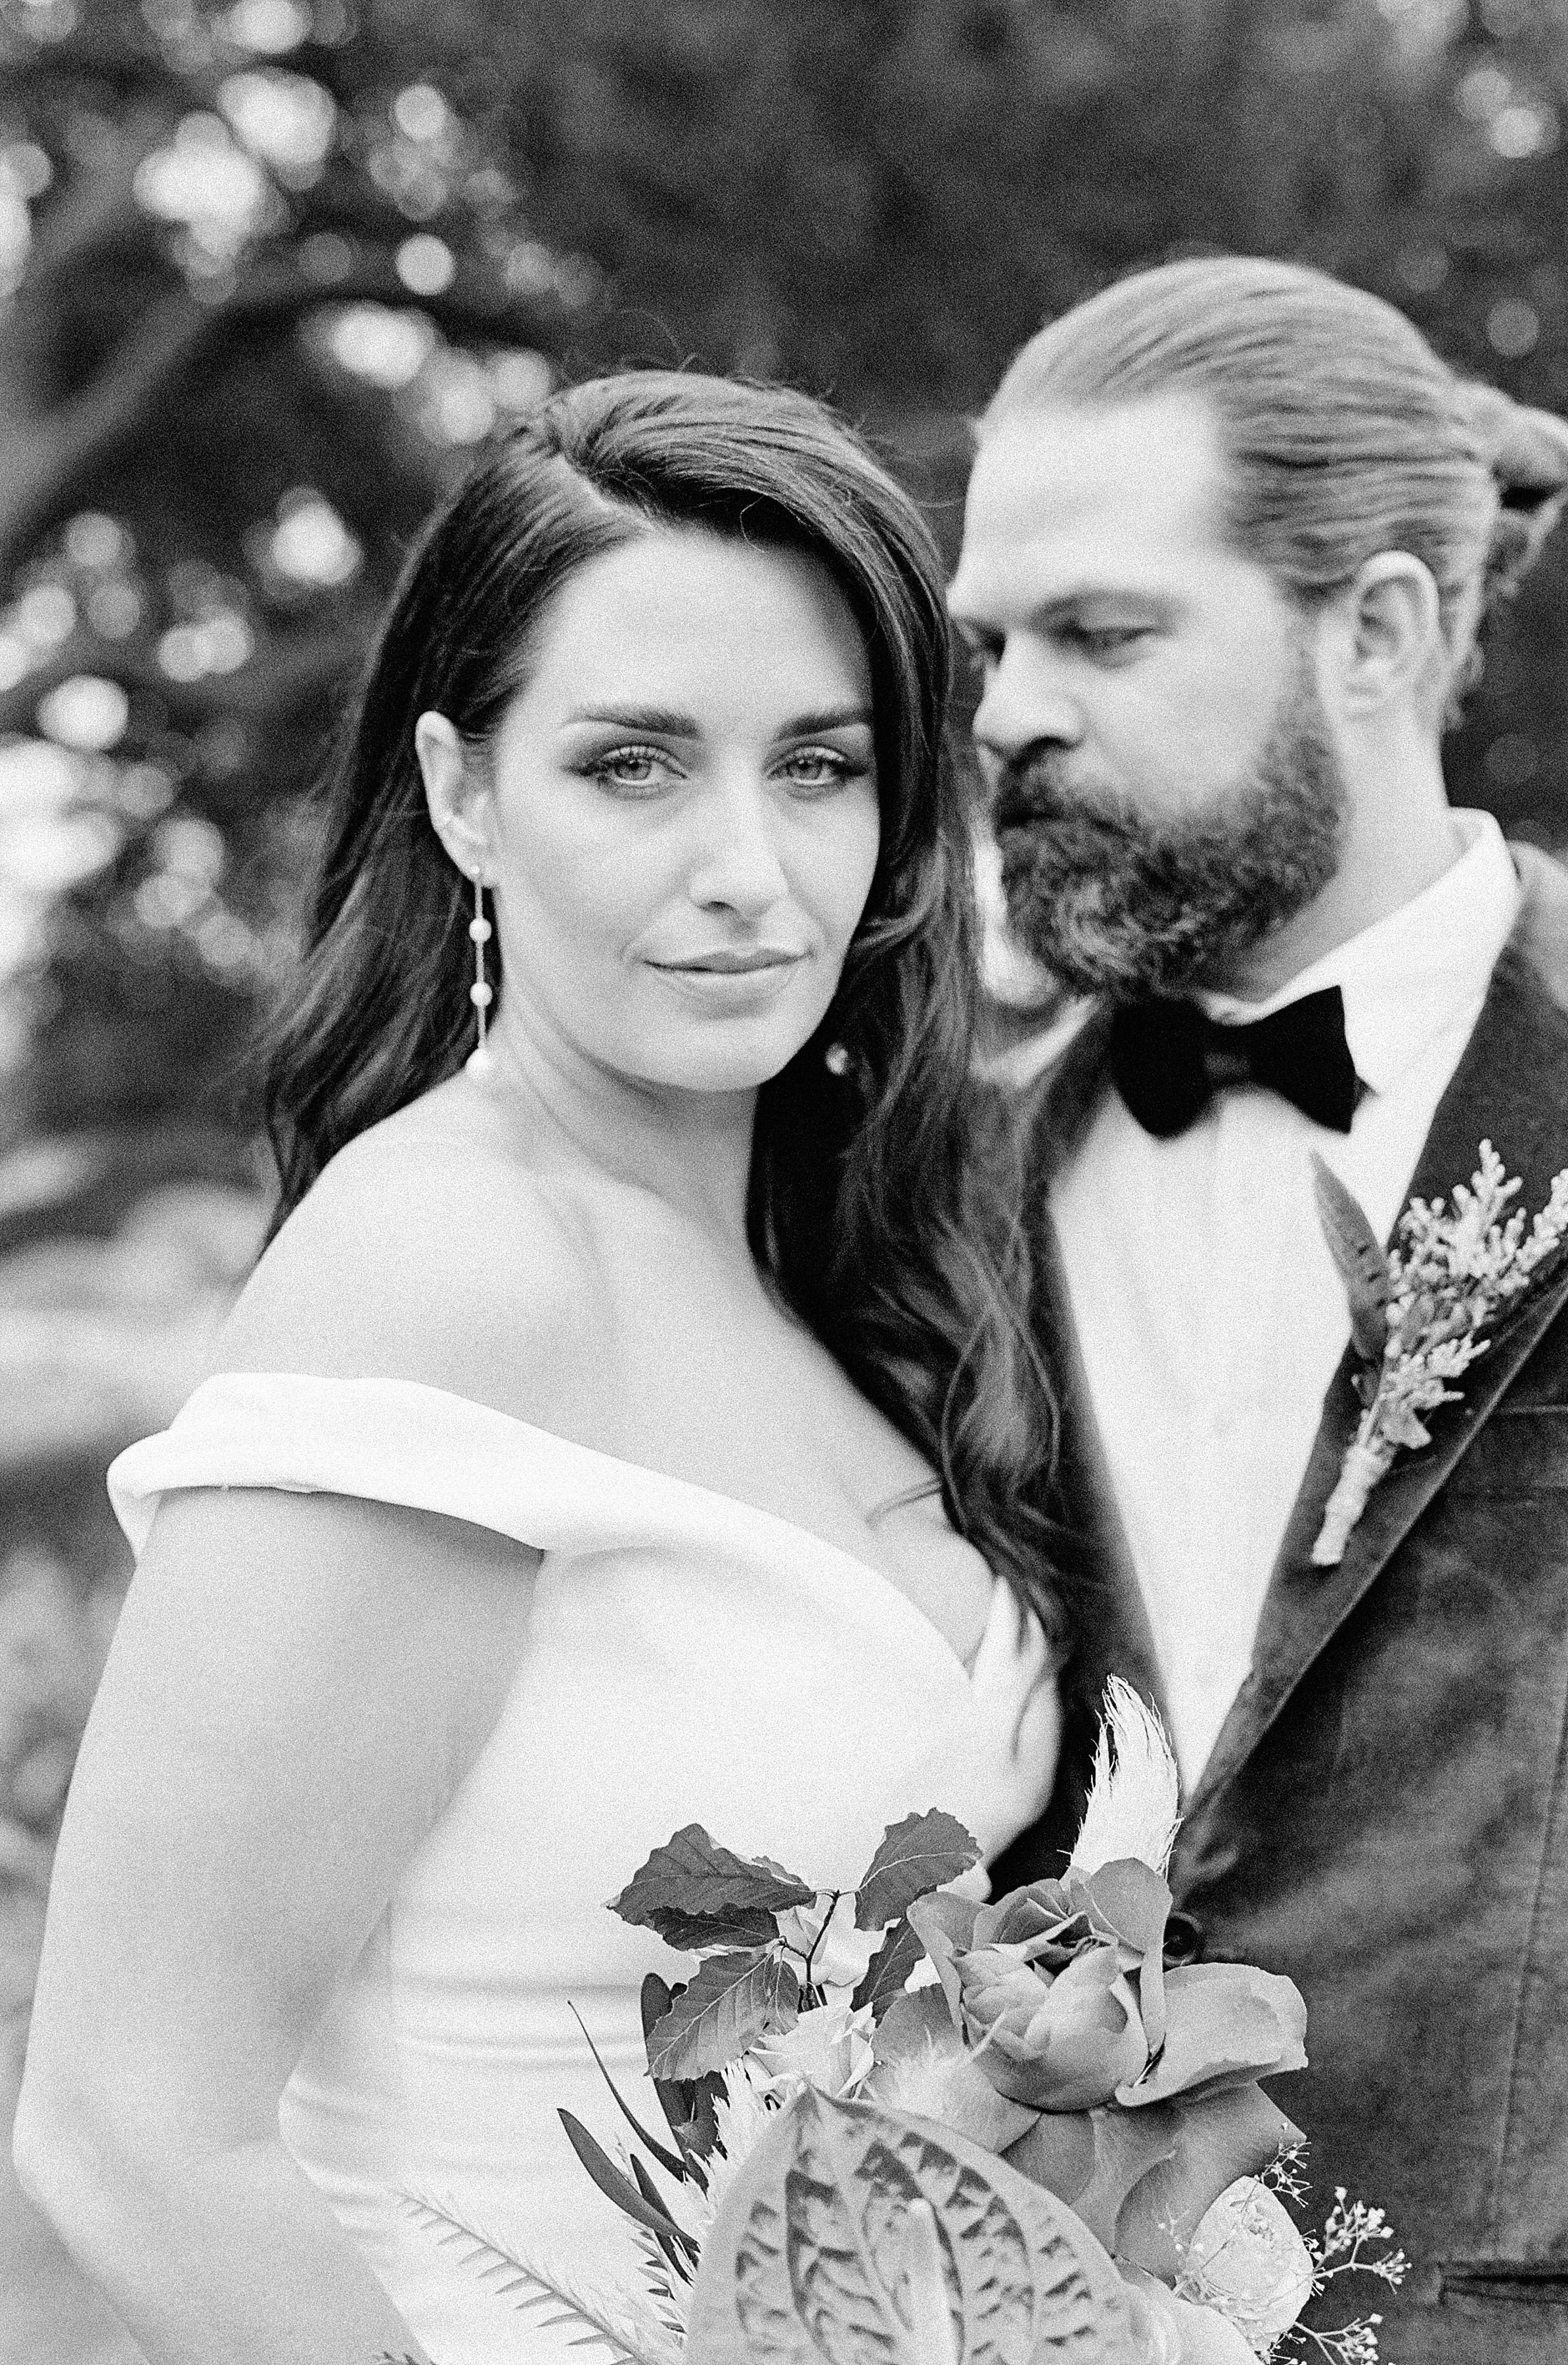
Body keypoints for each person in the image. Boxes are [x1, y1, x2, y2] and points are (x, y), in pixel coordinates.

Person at [12, 373, 1066, 2365]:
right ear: (462, 790)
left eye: (820, 767)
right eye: (636, 766)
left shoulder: (842, 1272)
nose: (749, 869)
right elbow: (129, 2132)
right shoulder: (438, 1277)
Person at [960, 256, 1568, 2364]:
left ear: (1377, 635)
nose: (1010, 714)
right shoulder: (945, 1186)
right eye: (992, 647)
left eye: (1102, 635)